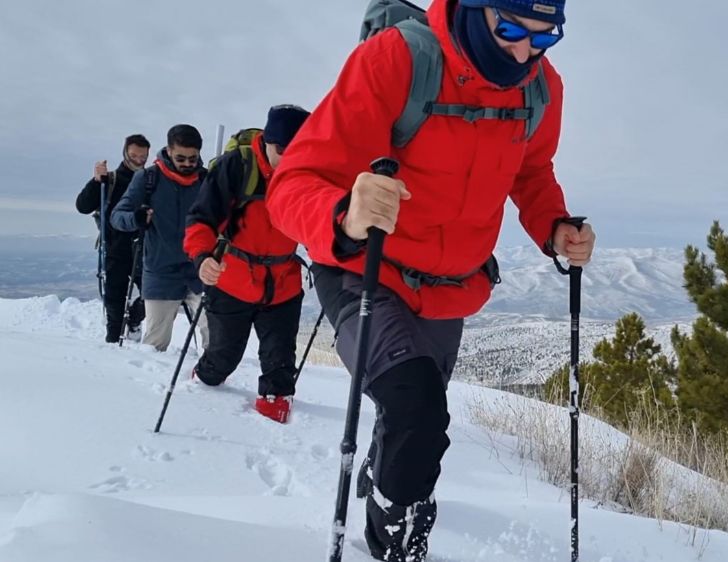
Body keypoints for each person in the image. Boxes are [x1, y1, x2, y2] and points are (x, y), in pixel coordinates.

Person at [266, 1, 596, 559]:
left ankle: (385, 476)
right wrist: (345, 214)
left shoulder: (541, 87)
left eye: (545, 39)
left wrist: (555, 225)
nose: (525, 53)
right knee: (418, 411)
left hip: (450, 287)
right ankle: (395, 539)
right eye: (511, 31)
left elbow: (532, 171)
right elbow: (294, 182)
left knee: (410, 414)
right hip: (363, 272)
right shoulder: (395, 60)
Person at [183, 105, 311, 423]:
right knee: (224, 356)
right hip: (232, 281)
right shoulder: (236, 167)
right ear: (267, 140)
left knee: (280, 361)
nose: (287, 156)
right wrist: (201, 257)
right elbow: (201, 219)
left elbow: (319, 223)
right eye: (281, 148)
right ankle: (205, 377)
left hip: (283, 284)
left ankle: (277, 414)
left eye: (296, 149)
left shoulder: (307, 173)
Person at [111, 124, 209, 352]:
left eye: (192, 159)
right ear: (168, 150)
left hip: (200, 269)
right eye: (181, 158)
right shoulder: (147, 179)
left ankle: (208, 385)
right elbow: (117, 216)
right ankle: (150, 387)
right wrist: (136, 219)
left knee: (215, 340)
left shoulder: (206, 181)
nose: (187, 164)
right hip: (160, 271)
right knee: (154, 345)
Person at [75, 134, 150, 343]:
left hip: (144, 248)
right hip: (116, 248)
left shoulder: (150, 181)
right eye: (134, 155)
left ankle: (133, 321)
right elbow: (82, 206)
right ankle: (113, 341)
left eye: (142, 157)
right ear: (125, 152)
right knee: (114, 301)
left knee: (152, 295)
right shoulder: (111, 179)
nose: (138, 161)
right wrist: (96, 180)